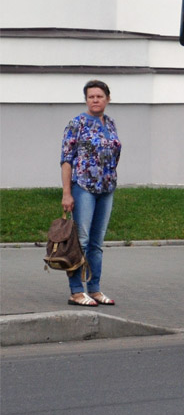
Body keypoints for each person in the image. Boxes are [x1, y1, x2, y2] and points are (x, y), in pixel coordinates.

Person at [59, 79, 122, 307]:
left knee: (97, 243)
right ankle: (76, 291)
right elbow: (66, 160)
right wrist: (67, 193)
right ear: (86, 100)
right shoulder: (77, 123)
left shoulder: (111, 123)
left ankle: (94, 289)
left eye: (99, 96)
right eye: (91, 96)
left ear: (108, 98)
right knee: (81, 242)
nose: (95, 100)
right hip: (83, 187)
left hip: (106, 189)